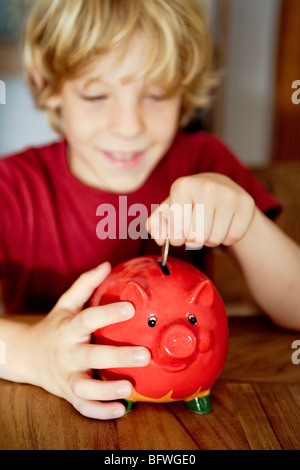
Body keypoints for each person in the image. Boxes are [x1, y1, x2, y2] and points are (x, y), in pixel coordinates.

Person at [0, 0, 299, 421]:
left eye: (156, 94)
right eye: (96, 94)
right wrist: (29, 353)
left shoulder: (204, 162)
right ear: (48, 85)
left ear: (185, 91)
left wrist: (244, 223)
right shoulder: (12, 188)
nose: (128, 126)